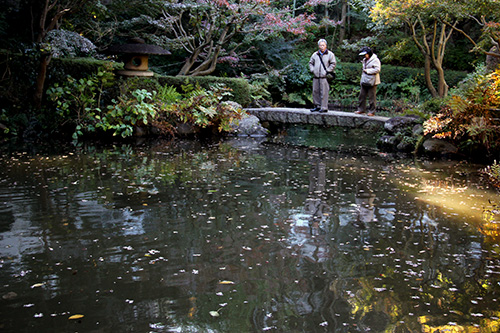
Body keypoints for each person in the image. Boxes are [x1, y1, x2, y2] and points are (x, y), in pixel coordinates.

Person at [309, 39, 336, 113]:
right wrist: (313, 70)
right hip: (316, 76)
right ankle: (317, 106)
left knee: (324, 92)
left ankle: (324, 107)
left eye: (323, 45)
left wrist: (327, 71)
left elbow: (333, 63)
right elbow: (310, 63)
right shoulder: (315, 54)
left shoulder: (330, 54)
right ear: (318, 46)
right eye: (320, 45)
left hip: (324, 77)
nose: (322, 47)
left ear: (326, 45)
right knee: (315, 91)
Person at [355, 46, 381, 116]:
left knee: (371, 96)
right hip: (364, 80)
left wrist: (368, 71)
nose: (364, 56)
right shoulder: (364, 60)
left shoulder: (375, 60)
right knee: (362, 95)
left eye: (365, 54)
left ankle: (372, 111)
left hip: (372, 80)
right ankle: (361, 109)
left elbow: (377, 69)